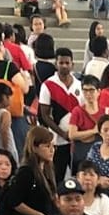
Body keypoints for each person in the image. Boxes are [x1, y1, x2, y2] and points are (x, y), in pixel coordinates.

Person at [37, 47, 82, 184]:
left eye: (67, 63)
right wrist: (62, 133)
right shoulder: (48, 85)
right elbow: (44, 115)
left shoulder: (79, 85)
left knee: (78, 177)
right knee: (56, 178)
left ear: (72, 64)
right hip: (57, 141)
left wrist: (77, 133)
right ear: (56, 64)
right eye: (61, 63)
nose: (64, 66)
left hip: (77, 140)